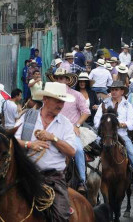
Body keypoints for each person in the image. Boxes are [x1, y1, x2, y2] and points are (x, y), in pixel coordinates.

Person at [15, 82, 77, 220]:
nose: (60, 105)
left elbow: (72, 151)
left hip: (53, 178)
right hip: (25, 175)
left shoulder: (65, 123)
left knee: (61, 215)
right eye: (57, 101)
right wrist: (30, 144)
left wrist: (53, 138)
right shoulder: (27, 117)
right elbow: (12, 142)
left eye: (62, 102)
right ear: (45, 99)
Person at [94, 81, 133, 193]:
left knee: (132, 154)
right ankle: (88, 178)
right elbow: (96, 120)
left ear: (122, 91)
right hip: (105, 135)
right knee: (90, 150)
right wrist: (103, 125)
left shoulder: (127, 105)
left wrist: (122, 124)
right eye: (112, 90)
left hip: (121, 134)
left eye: (116, 90)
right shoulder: (104, 104)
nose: (114, 92)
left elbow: (132, 121)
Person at [53, 68, 90, 192]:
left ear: (67, 80)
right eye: (57, 78)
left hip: (71, 131)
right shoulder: (51, 95)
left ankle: (82, 181)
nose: (59, 81)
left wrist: (77, 125)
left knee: (78, 150)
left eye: (61, 78)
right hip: (54, 130)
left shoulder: (76, 95)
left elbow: (86, 112)